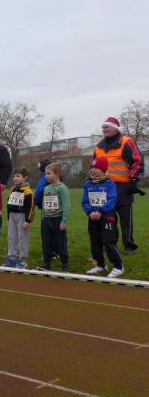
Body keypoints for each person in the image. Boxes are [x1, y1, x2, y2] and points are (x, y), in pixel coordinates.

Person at [92, 116, 143, 254]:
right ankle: (110, 243)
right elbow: (93, 166)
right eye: (103, 127)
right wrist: (91, 180)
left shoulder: (126, 141)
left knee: (126, 219)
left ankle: (128, 244)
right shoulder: (98, 146)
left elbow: (137, 161)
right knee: (108, 218)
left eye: (107, 127)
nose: (104, 129)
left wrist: (133, 180)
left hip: (123, 187)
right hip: (104, 188)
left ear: (115, 128)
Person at [82, 157, 123, 278]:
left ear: (103, 169)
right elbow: (85, 201)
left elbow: (112, 199)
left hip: (107, 217)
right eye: (92, 167)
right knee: (95, 242)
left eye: (96, 167)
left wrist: (100, 211)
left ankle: (118, 266)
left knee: (108, 242)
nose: (93, 170)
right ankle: (100, 264)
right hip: (92, 217)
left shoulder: (109, 183)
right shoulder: (88, 184)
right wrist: (90, 212)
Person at [38, 163, 70, 272]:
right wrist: (43, 218)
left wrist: (64, 221)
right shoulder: (46, 188)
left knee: (61, 243)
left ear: (57, 174)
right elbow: (44, 205)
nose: (46, 176)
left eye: (48, 174)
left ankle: (65, 265)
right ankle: (46, 264)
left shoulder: (62, 188)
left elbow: (66, 205)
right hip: (46, 220)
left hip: (58, 219)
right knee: (46, 242)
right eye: (45, 174)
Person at [4, 167, 35, 268]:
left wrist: (28, 220)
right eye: (14, 176)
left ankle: (23, 260)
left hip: (22, 217)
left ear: (25, 177)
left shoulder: (28, 192)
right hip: (12, 216)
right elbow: (9, 204)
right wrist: (8, 218)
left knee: (22, 238)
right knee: (11, 237)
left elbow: (31, 207)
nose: (15, 178)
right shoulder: (12, 190)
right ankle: (12, 258)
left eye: (18, 176)